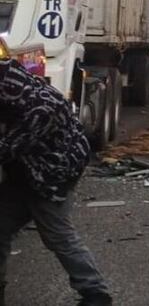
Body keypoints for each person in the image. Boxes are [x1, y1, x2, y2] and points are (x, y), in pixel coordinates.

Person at [0, 56, 112, 306]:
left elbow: (8, 148)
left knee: (57, 235)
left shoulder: (38, 108)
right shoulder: (16, 88)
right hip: (24, 171)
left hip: (51, 175)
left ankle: (96, 293)